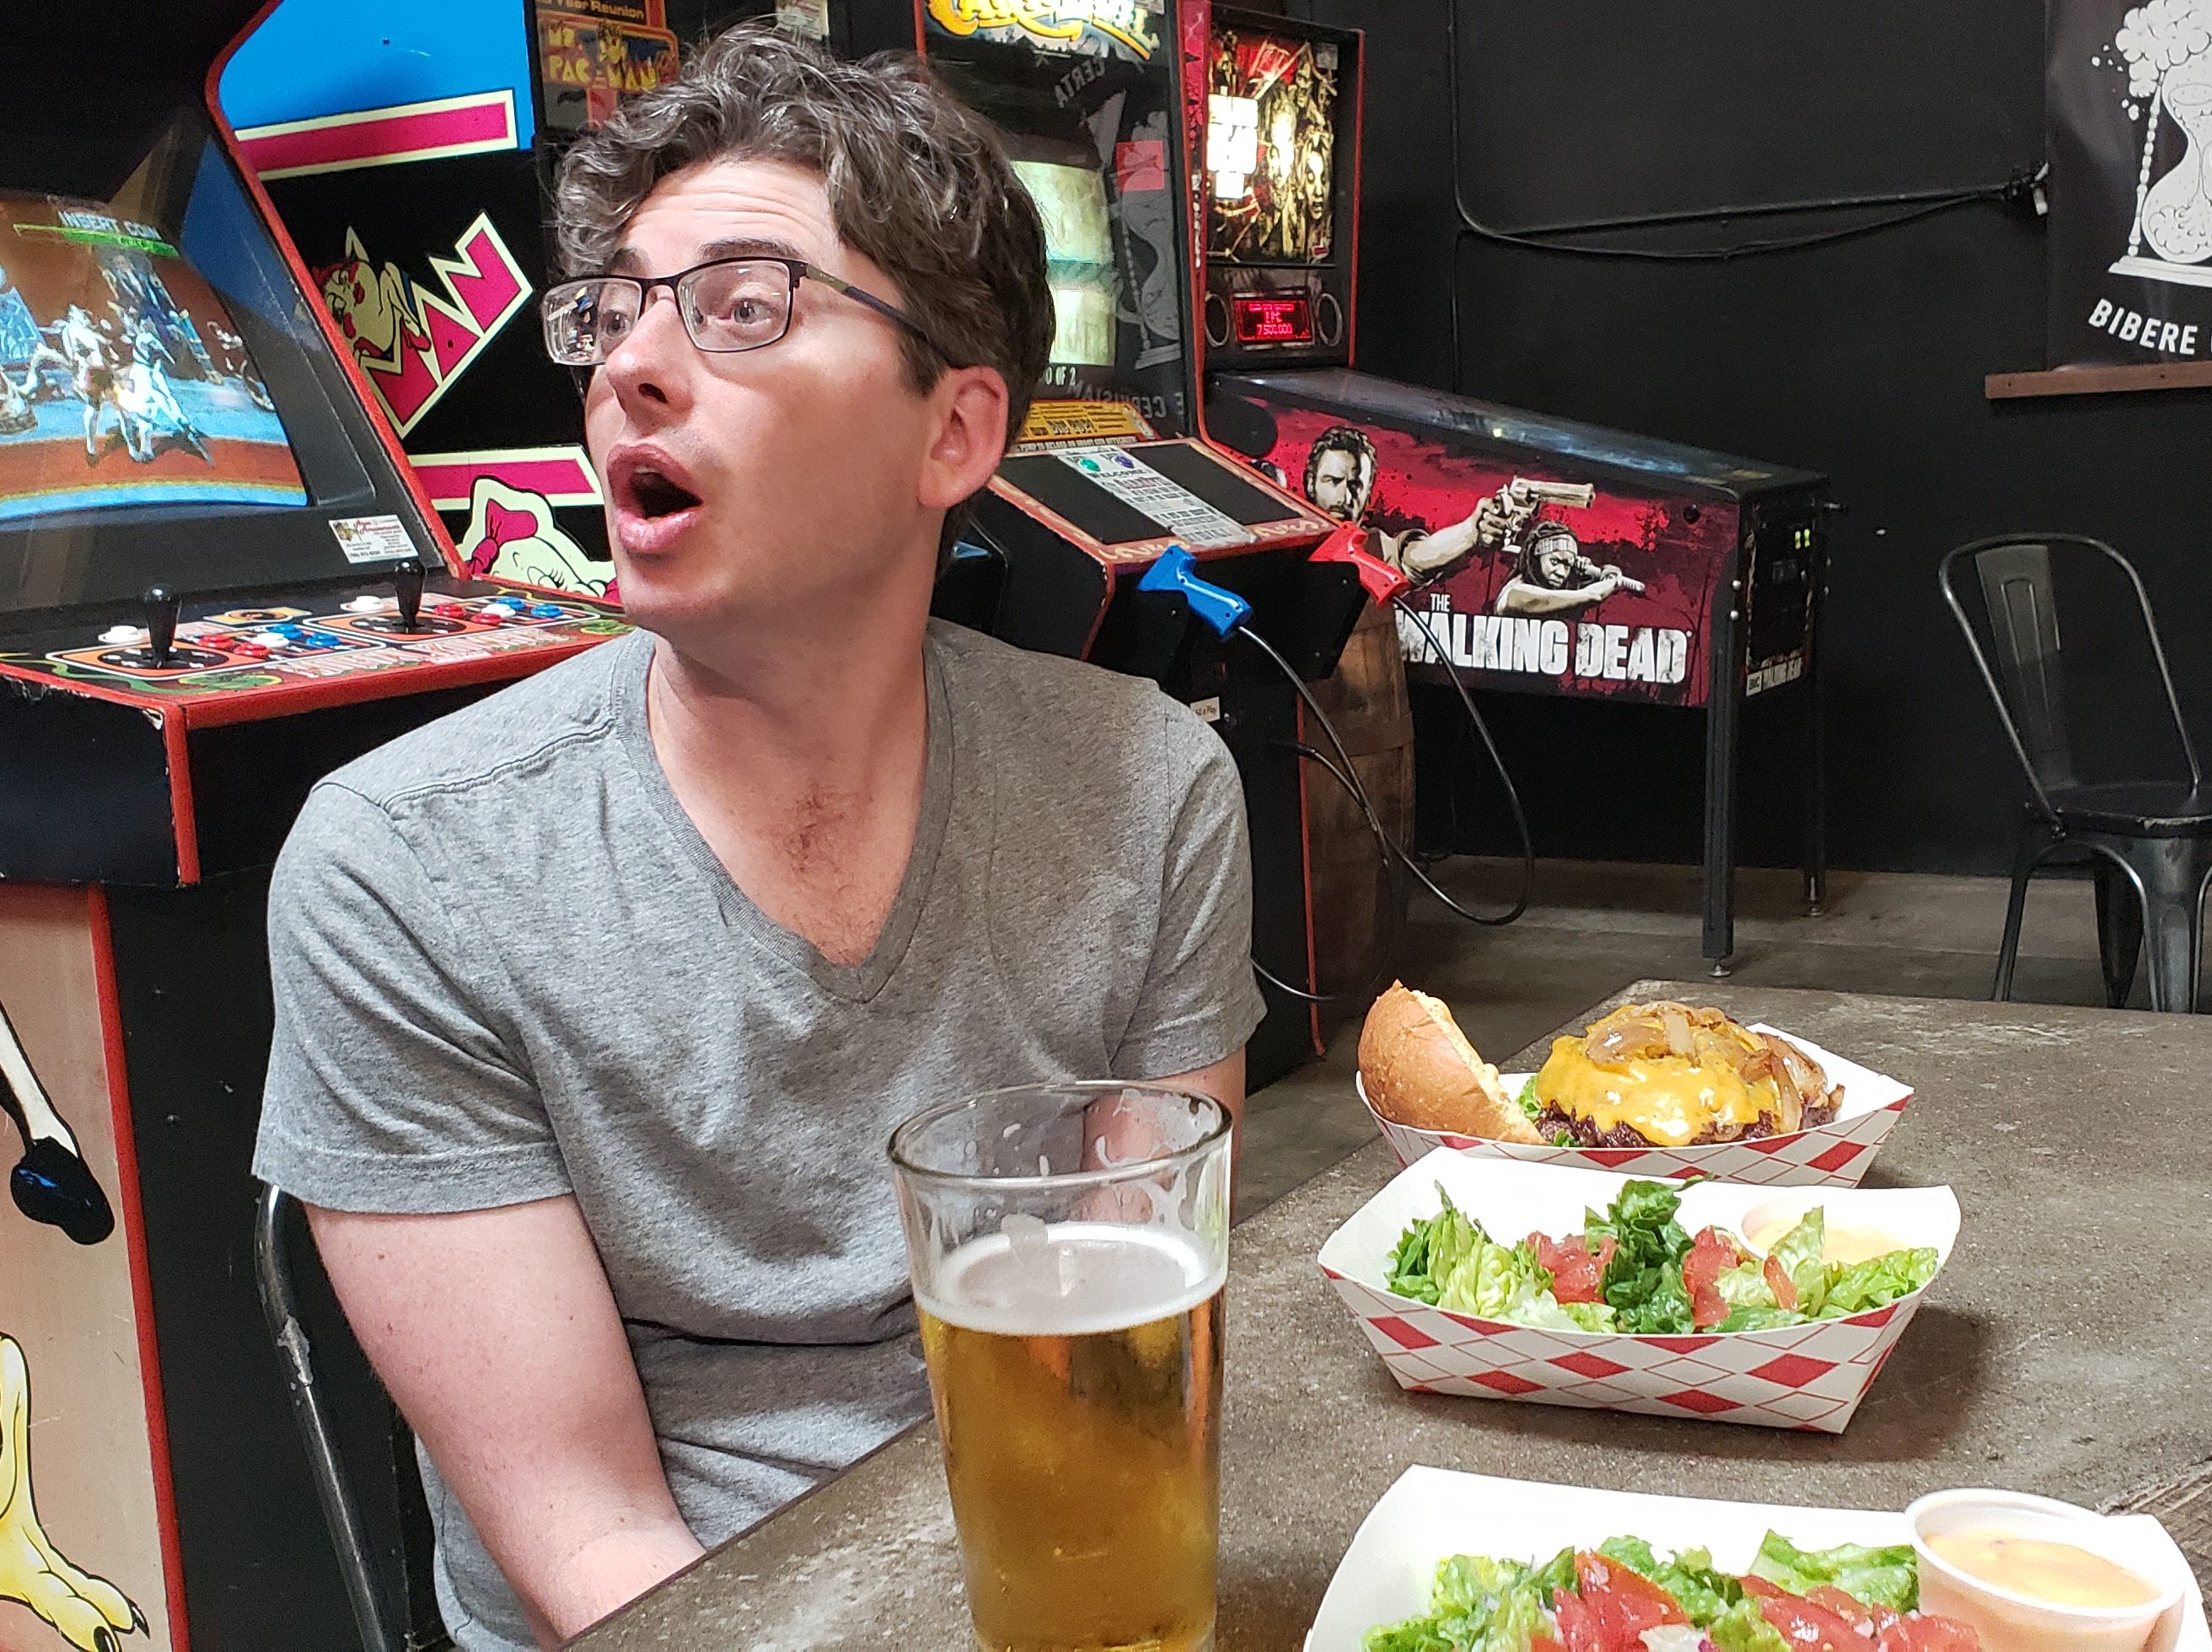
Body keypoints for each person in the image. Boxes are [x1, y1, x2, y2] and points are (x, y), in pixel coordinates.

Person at [250, 24, 1264, 1651]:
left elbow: (1120, 1379)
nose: (629, 371)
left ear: (957, 434)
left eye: (741, 308)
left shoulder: (1147, 791)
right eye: (615, 313)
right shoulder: (406, 869)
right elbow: (589, 1540)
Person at [1299, 421, 1495, 582]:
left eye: (1355, 486)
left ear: (1368, 493)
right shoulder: (1283, 537)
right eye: (1333, 481)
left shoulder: (1373, 547)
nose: (1345, 498)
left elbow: (1417, 556)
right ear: (1310, 483)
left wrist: (1470, 531)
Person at [1493, 520, 1642, 616]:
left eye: (1567, 566)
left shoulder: (1543, 584)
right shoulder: (1517, 594)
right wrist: (1611, 579)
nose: (1561, 573)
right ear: (1536, 558)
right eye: (1554, 561)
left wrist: (1583, 574)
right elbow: (1592, 596)